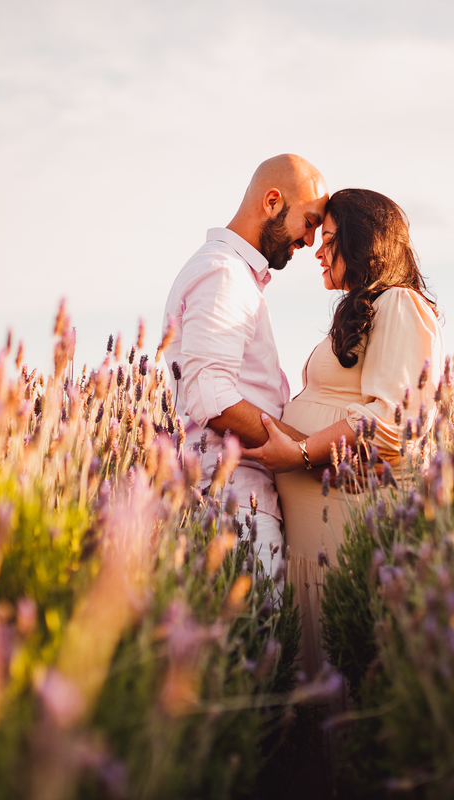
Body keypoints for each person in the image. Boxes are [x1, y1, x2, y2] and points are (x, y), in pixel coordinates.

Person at [244, 188, 443, 680]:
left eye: (328, 238)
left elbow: (392, 422)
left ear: (361, 240)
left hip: (348, 535)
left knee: (346, 675)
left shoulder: (399, 303)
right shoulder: (365, 310)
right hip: (315, 545)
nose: (316, 250)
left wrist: (300, 454)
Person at [161, 154, 328, 582]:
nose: (310, 241)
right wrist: (311, 453)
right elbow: (211, 398)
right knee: (256, 647)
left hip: (232, 505)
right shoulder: (225, 274)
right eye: (308, 222)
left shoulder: (230, 273)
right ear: (273, 202)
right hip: (234, 510)